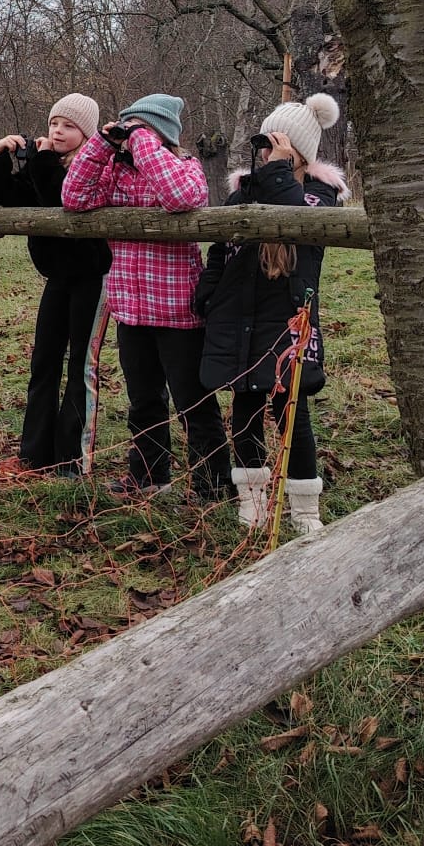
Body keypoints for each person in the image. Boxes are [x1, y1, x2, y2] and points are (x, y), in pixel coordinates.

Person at [194, 93, 347, 537]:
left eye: (278, 145)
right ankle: (253, 501)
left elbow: (300, 224)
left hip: (286, 321)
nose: (266, 152)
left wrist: (280, 169)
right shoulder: (243, 191)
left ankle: (304, 508)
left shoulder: (320, 194)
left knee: (291, 413)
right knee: (243, 411)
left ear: (301, 150)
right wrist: (208, 295)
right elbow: (220, 247)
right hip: (238, 316)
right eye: (264, 144)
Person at [62, 94, 216, 499]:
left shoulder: (185, 167)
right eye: (128, 130)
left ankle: (211, 486)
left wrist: (145, 141)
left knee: (193, 404)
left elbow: (180, 198)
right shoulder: (114, 173)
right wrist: (102, 144)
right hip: (130, 309)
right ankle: (149, 477)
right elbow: (74, 199)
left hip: (178, 311)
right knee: (143, 402)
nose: (129, 138)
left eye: (138, 130)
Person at [0, 95, 110, 477]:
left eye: (68, 126)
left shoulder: (91, 167)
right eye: (54, 124)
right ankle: (35, 454)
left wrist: (42, 160)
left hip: (91, 275)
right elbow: (5, 199)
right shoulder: (44, 164)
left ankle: (71, 459)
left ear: (85, 134)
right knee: (44, 362)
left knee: (81, 365)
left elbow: (61, 197)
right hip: (57, 276)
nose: (57, 132)